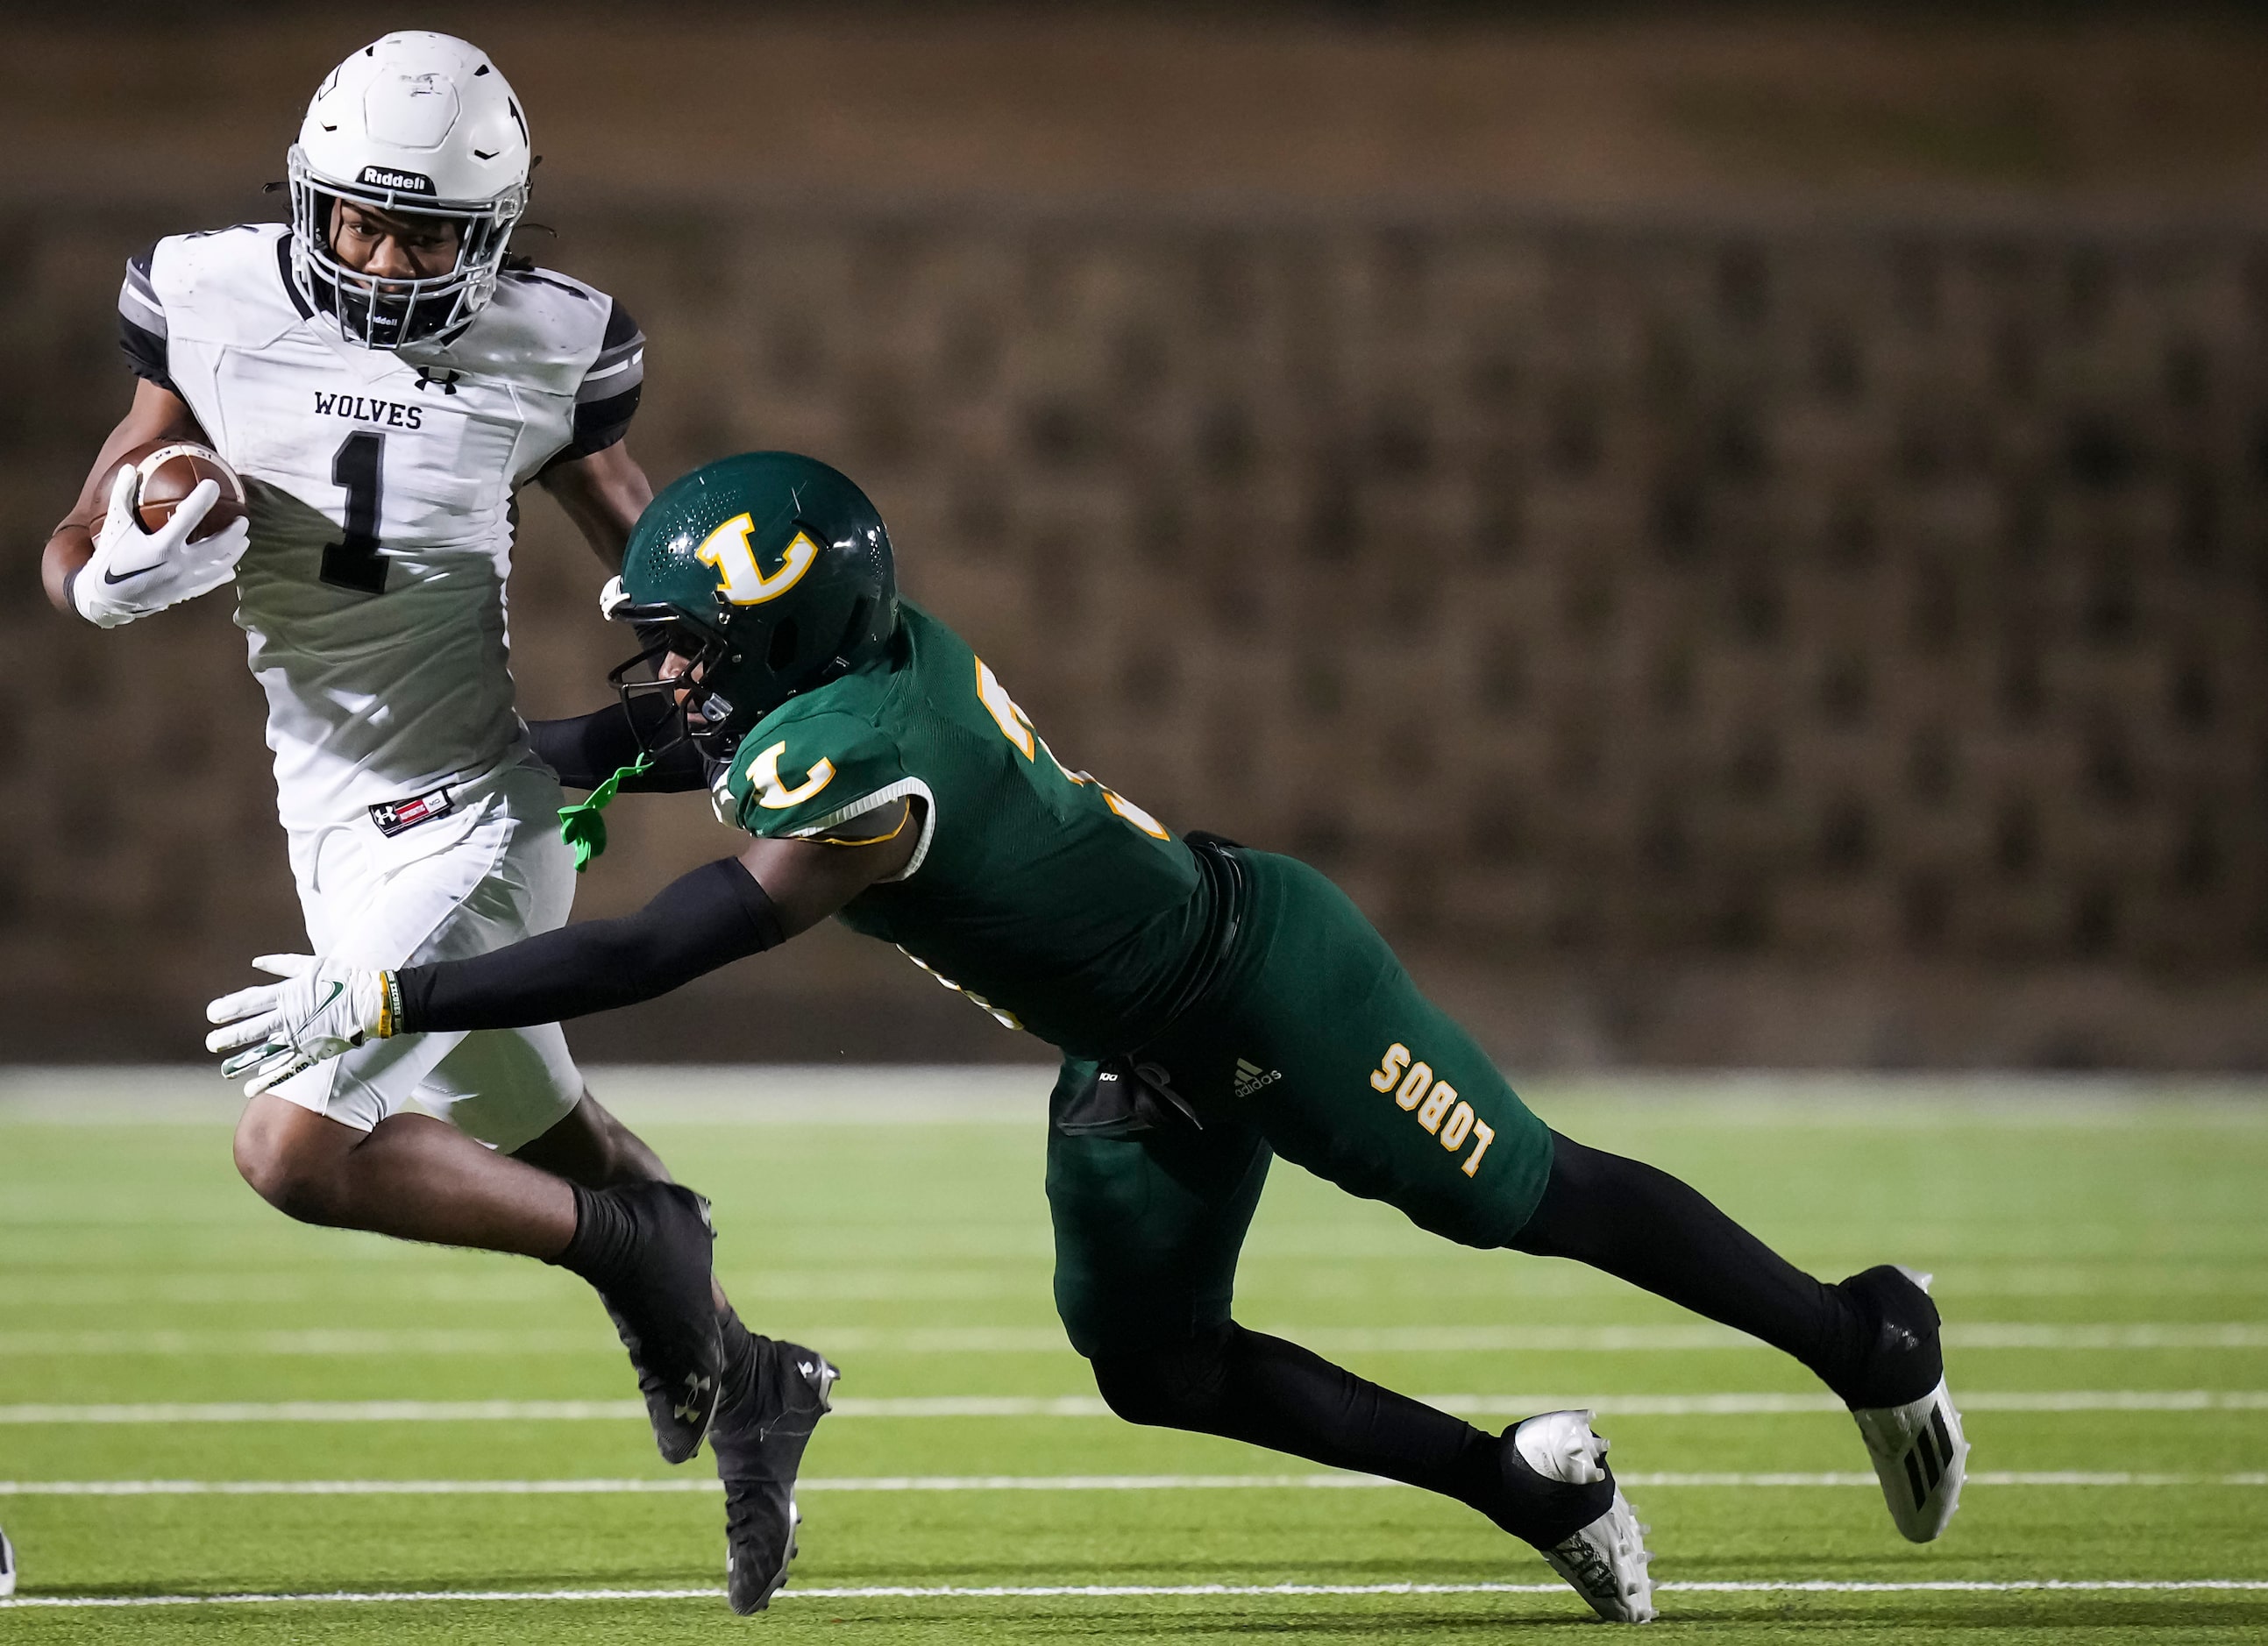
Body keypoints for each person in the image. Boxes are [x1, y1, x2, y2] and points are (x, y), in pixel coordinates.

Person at [206, 450, 1971, 1625]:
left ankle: (1863, 1335)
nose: (666, 677)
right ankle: (1516, 1487)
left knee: (1518, 1195)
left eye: (688, 649)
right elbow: (657, 744)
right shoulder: (846, 672)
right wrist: (486, 766)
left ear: (783, 642)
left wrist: (393, 993)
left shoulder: (853, 758)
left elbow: (680, 940)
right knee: (1154, 1365)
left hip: (1256, 981)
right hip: (1135, 1043)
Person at [41, 35, 830, 1614]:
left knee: (292, 1147)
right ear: (307, 200)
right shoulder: (206, 297)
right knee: (556, 1129)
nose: (386, 260)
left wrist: (730, 653)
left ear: (498, 230)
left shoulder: (549, 343)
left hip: (469, 806)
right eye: (357, 224)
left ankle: (631, 1256)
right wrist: (116, 558)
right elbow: (75, 540)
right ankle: (753, 1377)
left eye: (427, 235)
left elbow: (656, 553)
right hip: (327, 815)